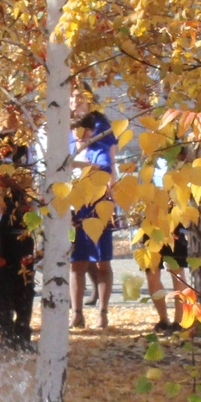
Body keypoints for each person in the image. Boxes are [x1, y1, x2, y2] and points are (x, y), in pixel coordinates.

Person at [71, 111, 118, 330]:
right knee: (76, 264)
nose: (79, 135)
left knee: (102, 263)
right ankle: (77, 314)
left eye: (83, 131)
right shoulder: (69, 147)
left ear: (91, 131)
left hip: (98, 207)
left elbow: (105, 170)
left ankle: (103, 312)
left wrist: (75, 165)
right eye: (75, 131)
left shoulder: (97, 147)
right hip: (74, 211)